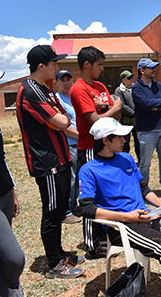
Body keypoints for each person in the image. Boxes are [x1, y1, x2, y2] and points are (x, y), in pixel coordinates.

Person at [79, 118, 161, 297]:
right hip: (122, 226)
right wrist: (127, 217)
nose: (125, 140)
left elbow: (143, 188)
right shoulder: (88, 170)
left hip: (147, 216)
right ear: (105, 140)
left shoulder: (126, 158)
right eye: (120, 137)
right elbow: (86, 209)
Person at [17, 45, 84, 279]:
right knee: (53, 212)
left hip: (61, 158)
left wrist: (61, 120)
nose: (57, 67)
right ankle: (54, 264)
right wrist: (62, 120)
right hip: (47, 163)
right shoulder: (29, 90)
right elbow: (62, 121)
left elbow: (61, 120)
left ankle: (59, 253)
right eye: (54, 63)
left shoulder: (44, 89)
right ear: (41, 66)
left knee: (59, 211)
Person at [70, 46, 122, 258]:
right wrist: (112, 107)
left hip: (109, 144)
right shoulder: (79, 88)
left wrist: (106, 109)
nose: (102, 68)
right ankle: (93, 244)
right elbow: (94, 121)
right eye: (99, 64)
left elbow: (112, 117)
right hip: (90, 146)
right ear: (87, 64)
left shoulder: (99, 85)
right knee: (91, 195)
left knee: (107, 191)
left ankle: (107, 235)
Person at [132, 58, 161, 194]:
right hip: (147, 130)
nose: (154, 69)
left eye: (154, 67)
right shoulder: (136, 88)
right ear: (142, 70)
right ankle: (144, 190)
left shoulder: (159, 85)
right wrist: (159, 103)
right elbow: (145, 104)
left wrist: (155, 105)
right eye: (151, 68)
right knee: (145, 162)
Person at [0, 112, 26, 297]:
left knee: (0, 256)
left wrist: (12, 191)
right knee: (15, 259)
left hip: (4, 193)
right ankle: (13, 287)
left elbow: (1, 157)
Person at [55, 69, 81, 225]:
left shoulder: (74, 97)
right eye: (62, 80)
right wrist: (82, 136)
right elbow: (64, 126)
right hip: (68, 145)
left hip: (80, 144)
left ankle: (74, 205)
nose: (66, 82)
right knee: (69, 179)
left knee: (79, 178)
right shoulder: (57, 100)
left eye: (68, 79)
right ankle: (66, 211)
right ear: (56, 82)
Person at [115, 70, 140, 162]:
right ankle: (125, 161)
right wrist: (134, 113)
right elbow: (121, 105)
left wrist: (138, 115)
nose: (131, 80)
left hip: (137, 120)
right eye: (129, 78)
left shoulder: (135, 88)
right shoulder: (119, 90)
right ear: (123, 80)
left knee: (138, 142)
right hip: (125, 121)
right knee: (125, 142)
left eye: (132, 78)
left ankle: (140, 160)